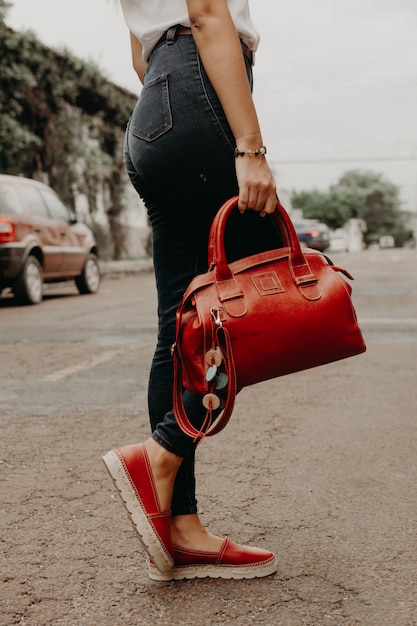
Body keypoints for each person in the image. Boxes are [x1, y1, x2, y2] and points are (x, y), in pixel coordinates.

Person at [103, 0, 279, 581]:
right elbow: (206, 13)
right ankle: (162, 453)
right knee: (257, 296)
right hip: (197, 84)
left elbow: (138, 50)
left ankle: (178, 523)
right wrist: (249, 148)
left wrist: (169, 101)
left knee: (181, 321)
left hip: (156, 101)